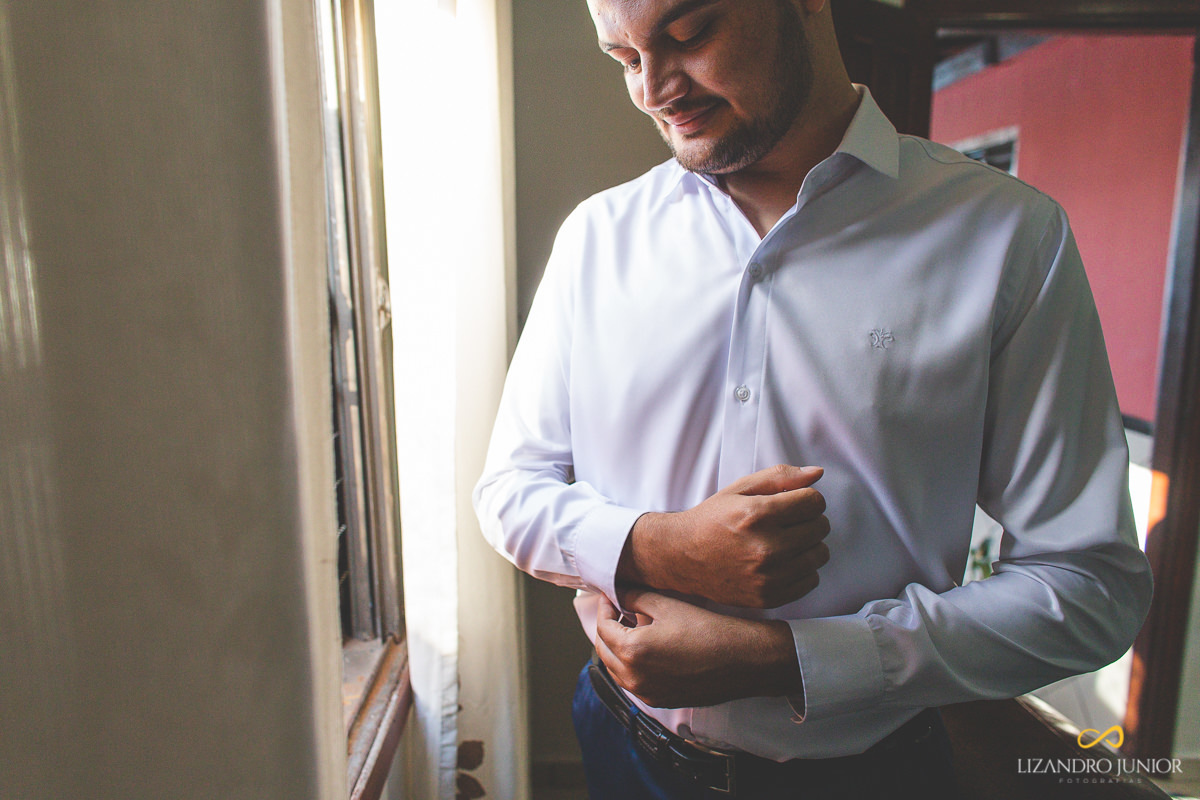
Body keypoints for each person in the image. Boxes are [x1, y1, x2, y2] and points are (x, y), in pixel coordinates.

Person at [473, 0, 1154, 796]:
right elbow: (508, 492)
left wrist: (786, 660)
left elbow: (1090, 590)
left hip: (869, 776)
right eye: (623, 58)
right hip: (621, 743)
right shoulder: (595, 239)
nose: (654, 89)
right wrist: (661, 546)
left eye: (689, 35)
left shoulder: (1008, 240)